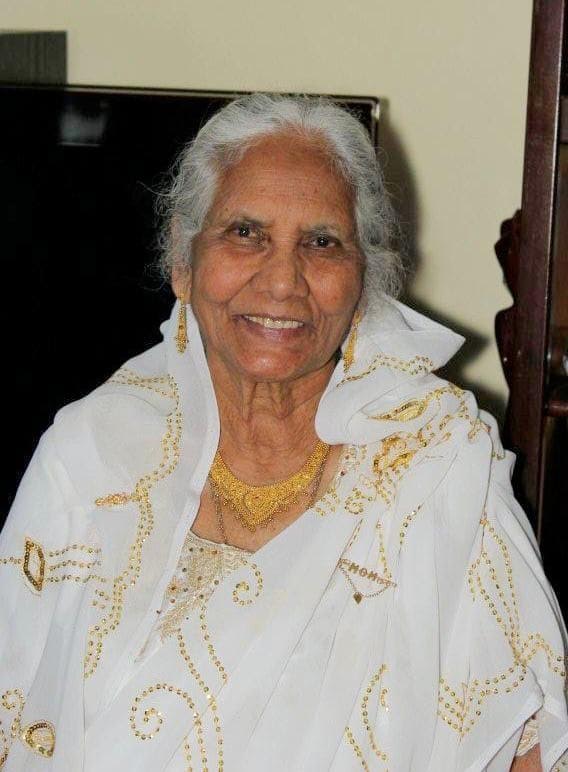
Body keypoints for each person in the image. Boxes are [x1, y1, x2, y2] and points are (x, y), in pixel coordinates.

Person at [0, 93, 566, 772]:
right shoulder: (92, 457)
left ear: (364, 278)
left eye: (321, 243)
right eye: (246, 232)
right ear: (183, 262)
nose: (281, 281)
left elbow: (529, 742)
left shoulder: (436, 462)